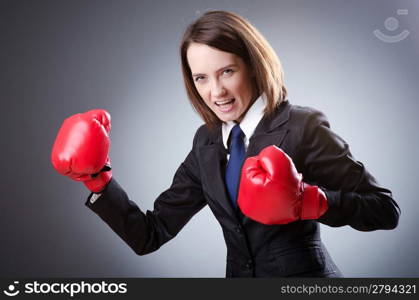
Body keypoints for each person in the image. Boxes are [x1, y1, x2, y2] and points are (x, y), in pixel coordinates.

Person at [51, 10, 400, 277]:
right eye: (201, 77)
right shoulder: (207, 142)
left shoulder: (300, 127)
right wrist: (98, 181)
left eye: (227, 72)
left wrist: (313, 202)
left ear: (252, 66)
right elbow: (150, 234)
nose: (215, 92)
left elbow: (384, 210)